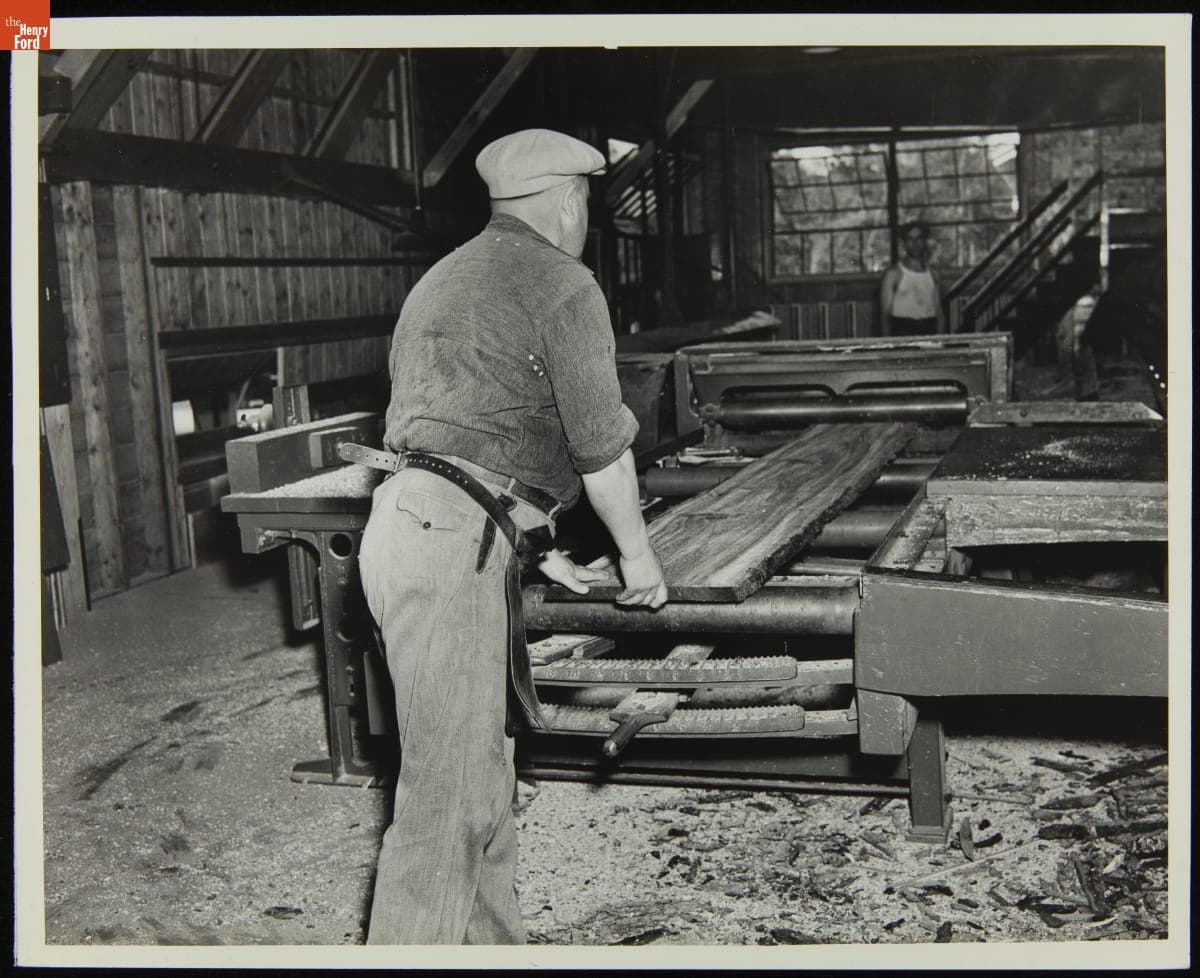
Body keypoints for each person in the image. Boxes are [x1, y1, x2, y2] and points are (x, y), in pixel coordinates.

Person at [356, 128, 669, 945]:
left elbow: (470, 435)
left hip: (410, 527)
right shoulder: (564, 284)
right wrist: (639, 560)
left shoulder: (441, 279)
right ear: (569, 202)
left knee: (481, 779)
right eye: (587, 206)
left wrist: (538, 547)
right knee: (445, 805)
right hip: (452, 539)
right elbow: (602, 449)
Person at [879, 220, 945, 336]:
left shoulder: (934, 274)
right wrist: (888, 345)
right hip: (902, 332)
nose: (915, 243)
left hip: (928, 331)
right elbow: (885, 314)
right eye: (910, 239)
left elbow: (939, 312)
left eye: (919, 238)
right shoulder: (893, 274)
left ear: (925, 241)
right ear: (904, 243)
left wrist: (941, 342)